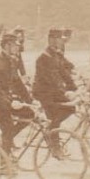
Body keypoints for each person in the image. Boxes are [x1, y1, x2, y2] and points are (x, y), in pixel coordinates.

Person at [0, 31, 36, 154]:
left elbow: (17, 83)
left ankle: (7, 140)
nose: (17, 47)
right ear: (7, 45)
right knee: (7, 127)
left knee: (29, 114)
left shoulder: (12, 60)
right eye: (14, 45)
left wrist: (30, 100)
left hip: (7, 101)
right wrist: (10, 102)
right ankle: (4, 163)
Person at [32, 27, 77, 158]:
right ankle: (55, 147)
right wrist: (65, 93)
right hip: (43, 93)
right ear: (51, 40)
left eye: (60, 39)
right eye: (58, 39)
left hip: (53, 91)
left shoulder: (56, 55)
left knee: (71, 108)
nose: (60, 42)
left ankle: (51, 130)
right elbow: (51, 80)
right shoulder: (43, 58)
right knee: (54, 116)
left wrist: (74, 88)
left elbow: (63, 74)